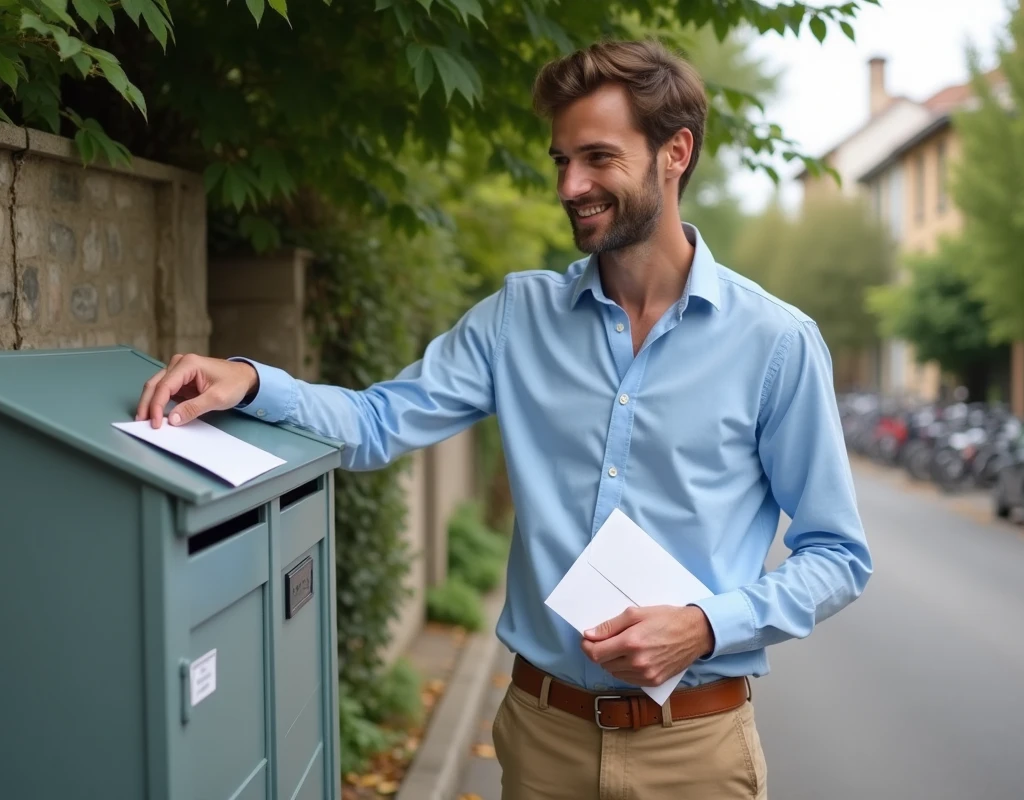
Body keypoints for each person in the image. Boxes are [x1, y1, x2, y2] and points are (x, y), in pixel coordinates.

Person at [135, 39, 871, 800]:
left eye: (597, 157)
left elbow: (838, 554)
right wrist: (252, 382)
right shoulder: (518, 318)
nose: (571, 184)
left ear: (674, 152)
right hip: (541, 738)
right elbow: (378, 421)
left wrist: (706, 625)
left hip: (695, 750)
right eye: (560, 160)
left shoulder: (775, 343)